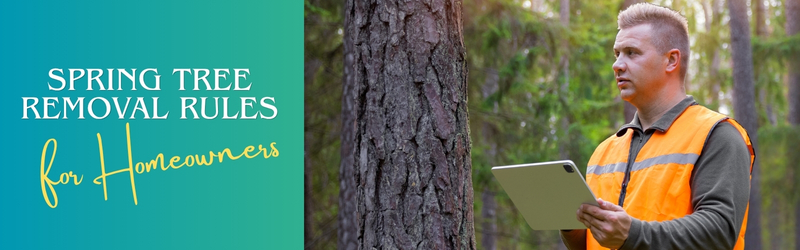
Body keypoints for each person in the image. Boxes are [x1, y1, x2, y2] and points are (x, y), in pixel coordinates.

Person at [559, 3, 755, 250]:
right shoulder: (604, 152)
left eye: (631, 53)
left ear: (671, 60)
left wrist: (632, 234)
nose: (617, 65)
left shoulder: (717, 135)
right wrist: (572, 225)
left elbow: (719, 231)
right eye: (616, 54)